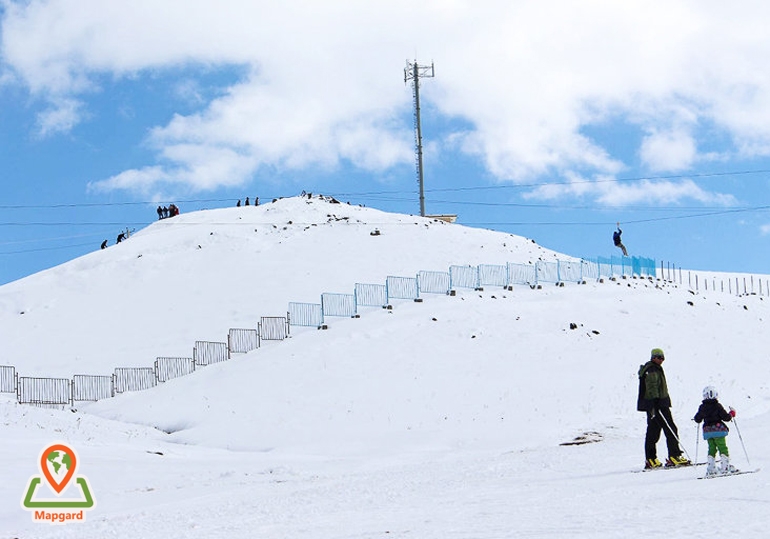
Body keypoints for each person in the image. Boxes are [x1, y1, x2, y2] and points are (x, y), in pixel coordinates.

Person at [637, 348, 690, 468]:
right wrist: (656, 404)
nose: (662, 360)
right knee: (671, 429)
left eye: (663, 358)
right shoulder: (652, 370)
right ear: (654, 357)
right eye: (660, 358)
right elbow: (652, 387)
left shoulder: (652, 368)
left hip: (653, 406)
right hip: (658, 405)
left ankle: (651, 459)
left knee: (653, 432)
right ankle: (674, 456)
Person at [694, 386, 736, 476]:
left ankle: (711, 468)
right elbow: (726, 418)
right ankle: (725, 466)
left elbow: (697, 419)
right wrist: (731, 414)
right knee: (722, 446)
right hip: (718, 430)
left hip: (708, 431)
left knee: (711, 448)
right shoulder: (718, 406)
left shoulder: (702, 407)